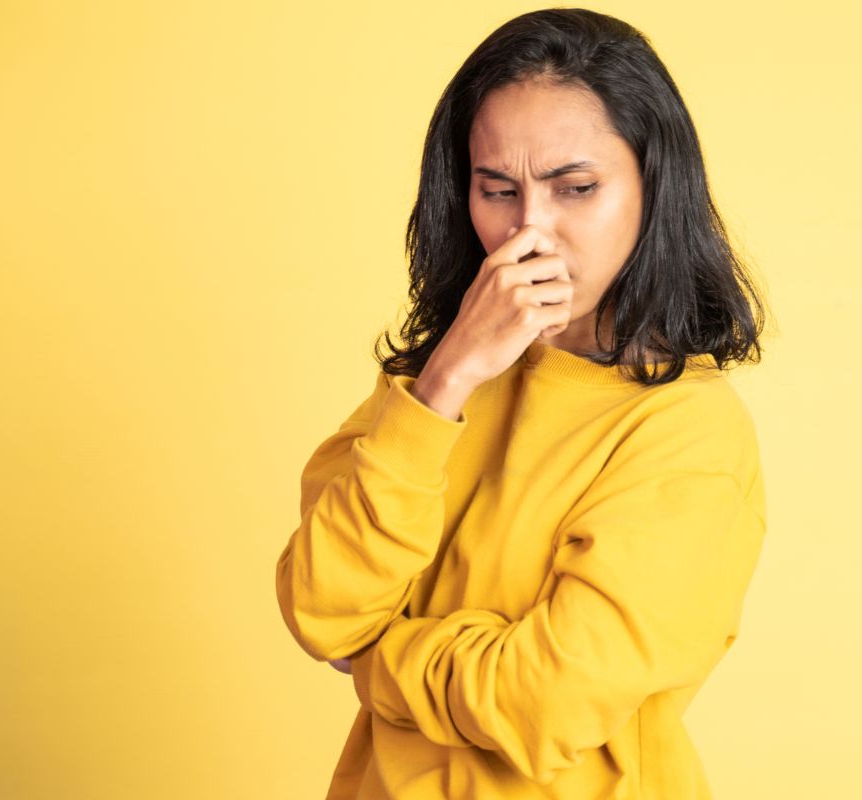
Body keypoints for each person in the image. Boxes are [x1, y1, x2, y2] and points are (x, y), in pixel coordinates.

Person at [273, 8, 769, 798]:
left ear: (654, 187)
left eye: (576, 189)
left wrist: (377, 658)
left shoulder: (687, 430)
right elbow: (320, 607)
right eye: (497, 189)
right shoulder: (433, 384)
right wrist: (446, 380)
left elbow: (544, 701)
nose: (529, 231)